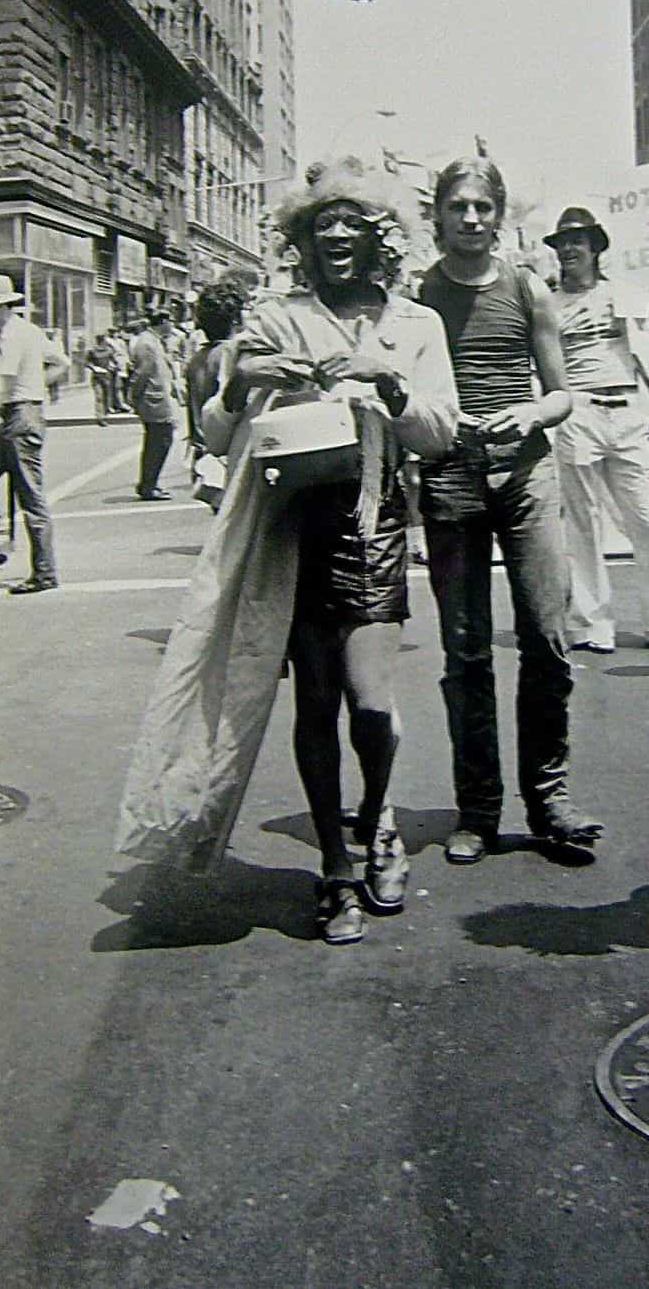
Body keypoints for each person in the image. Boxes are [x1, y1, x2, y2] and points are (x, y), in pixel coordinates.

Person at [116, 156, 459, 945]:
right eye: (320, 225)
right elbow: (215, 432)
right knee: (315, 703)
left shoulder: (414, 325)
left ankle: (377, 824)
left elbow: (442, 432)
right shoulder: (274, 318)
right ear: (303, 240)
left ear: (379, 238)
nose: (336, 235)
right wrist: (242, 383)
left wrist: (391, 383)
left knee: (371, 703)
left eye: (352, 224)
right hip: (291, 528)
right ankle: (336, 869)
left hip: (373, 519)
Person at [418, 155, 603, 865]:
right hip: (452, 477)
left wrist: (530, 411)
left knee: (547, 638)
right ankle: (478, 808)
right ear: (436, 214)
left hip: (526, 475)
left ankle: (548, 798)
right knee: (464, 651)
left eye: (483, 207)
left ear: (499, 215)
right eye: (458, 206)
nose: (470, 219)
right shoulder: (420, 296)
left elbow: (562, 394)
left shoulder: (528, 288)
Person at [545, 203, 649, 654]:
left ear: (596, 248)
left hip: (625, 408)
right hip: (579, 412)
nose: (570, 249)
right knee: (583, 524)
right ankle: (592, 623)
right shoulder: (547, 304)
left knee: (648, 522)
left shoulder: (626, 294)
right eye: (563, 242)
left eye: (579, 241)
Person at [0, 273, 69, 593]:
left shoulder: (13, 336)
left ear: (4, 307)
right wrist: (36, 387)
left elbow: (2, 391)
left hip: (17, 416)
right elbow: (61, 362)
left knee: (30, 496)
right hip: (17, 414)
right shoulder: (27, 331)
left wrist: (29, 392)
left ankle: (45, 572)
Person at [184, 277, 250, 511]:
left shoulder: (196, 360)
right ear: (236, 318)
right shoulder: (232, 355)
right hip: (231, 454)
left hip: (206, 452)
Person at [127, 309, 179, 500]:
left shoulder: (153, 340)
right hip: (152, 400)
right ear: (163, 321)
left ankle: (149, 484)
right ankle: (149, 485)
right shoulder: (147, 343)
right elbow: (143, 373)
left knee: (158, 441)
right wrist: (135, 397)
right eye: (171, 320)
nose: (173, 324)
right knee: (159, 442)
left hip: (157, 399)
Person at [86, 332, 116, 425]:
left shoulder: (109, 350)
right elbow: (87, 362)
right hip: (97, 376)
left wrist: (113, 366)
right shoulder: (92, 351)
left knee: (107, 396)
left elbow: (113, 360)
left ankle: (105, 414)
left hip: (107, 375)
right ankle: (100, 417)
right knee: (99, 396)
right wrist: (93, 367)